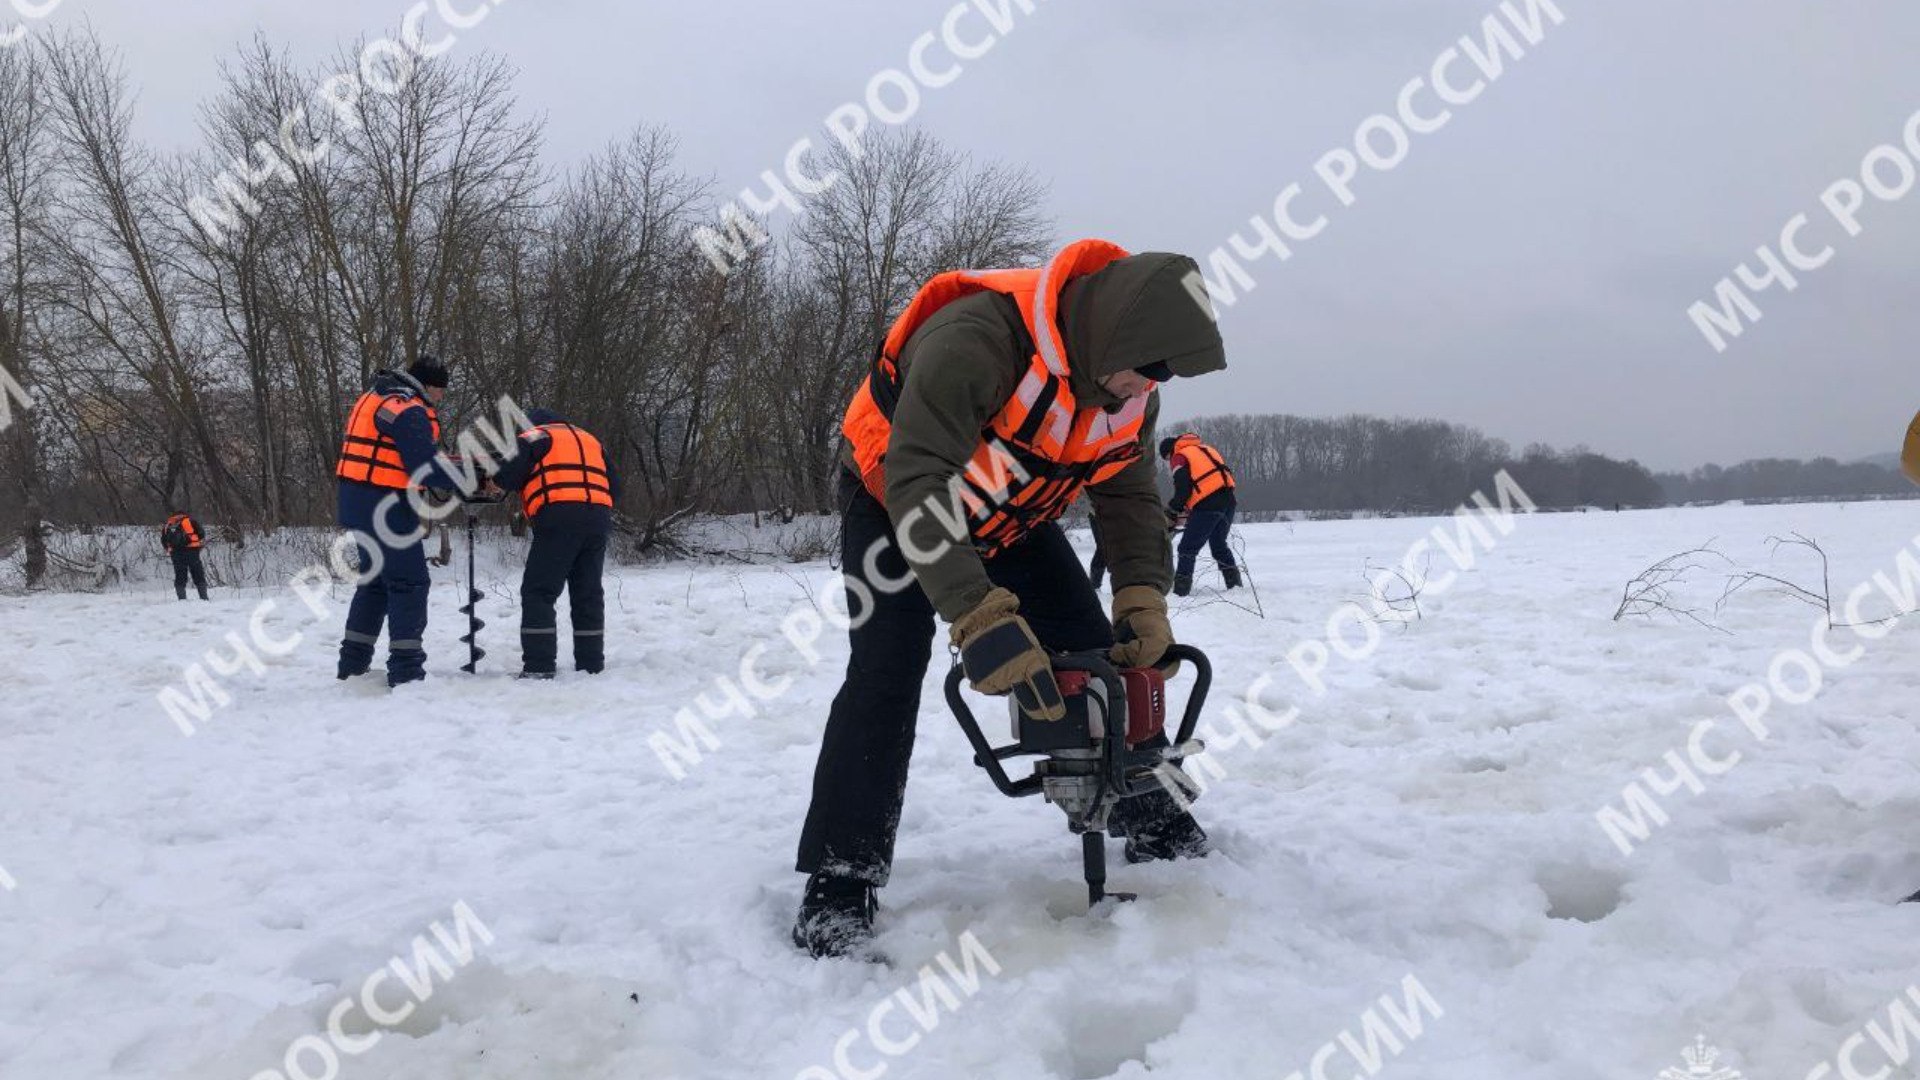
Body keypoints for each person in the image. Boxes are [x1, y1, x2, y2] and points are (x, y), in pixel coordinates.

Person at [792, 238, 1229, 959]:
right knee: (887, 671)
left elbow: (1126, 497)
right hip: (897, 501)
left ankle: (1146, 808)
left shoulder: (1129, 394)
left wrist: (1144, 597)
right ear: (1112, 336)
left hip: (1013, 512)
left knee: (1098, 652)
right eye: (1143, 371)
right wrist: (977, 614)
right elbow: (919, 478)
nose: (1144, 389)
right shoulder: (976, 339)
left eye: (1160, 379)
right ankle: (840, 879)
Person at [334, 356, 473, 687]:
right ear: (429, 386)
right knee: (409, 583)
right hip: (386, 507)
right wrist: (470, 475)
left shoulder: (375, 396)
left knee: (375, 583)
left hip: (356, 501)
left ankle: (352, 666)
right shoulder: (408, 408)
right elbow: (422, 466)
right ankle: (407, 672)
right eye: (441, 392)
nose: (440, 399)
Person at [490, 409, 618, 679]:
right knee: (588, 594)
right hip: (598, 518)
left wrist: (494, 477)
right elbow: (615, 487)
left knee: (539, 591)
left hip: (559, 516)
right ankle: (591, 663)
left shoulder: (534, 436)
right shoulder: (590, 439)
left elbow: (506, 476)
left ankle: (539, 666)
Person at [1161, 432, 1240, 596]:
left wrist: (1173, 509)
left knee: (1186, 548)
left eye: (1167, 458)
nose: (1169, 462)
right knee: (1219, 545)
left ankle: (1181, 592)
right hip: (1229, 501)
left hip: (1208, 505)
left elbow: (1183, 487)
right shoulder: (1205, 449)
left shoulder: (1179, 456)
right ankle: (1235, 586)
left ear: (1170, 452)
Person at [160, 510, 209, 601]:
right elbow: (201, 534)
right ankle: (204, 598)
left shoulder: (168, 525)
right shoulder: (191, 521)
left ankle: (182, 599)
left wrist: (169, 550)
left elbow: (163, 540)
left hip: (176, 554)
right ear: (184, 515)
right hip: (192, 552)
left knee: (180, 575)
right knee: (198, 573)